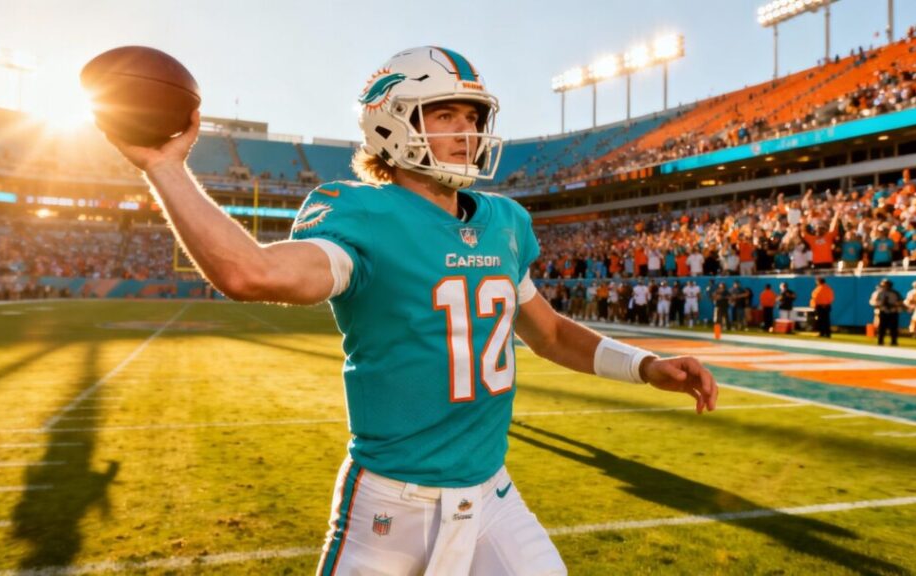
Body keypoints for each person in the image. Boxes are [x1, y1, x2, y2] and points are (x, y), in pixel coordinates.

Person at [106, 46, 718, 575]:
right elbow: (250, 273)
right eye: (445, 114)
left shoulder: (504, 222)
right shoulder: (359, 215)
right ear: (392, 123)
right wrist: (166, 167)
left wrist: (645, 365)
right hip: (392, 506)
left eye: (472, 117)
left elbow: (551, 334)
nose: (465, 131)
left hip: (491, 495)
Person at [869, 279, 903, 346]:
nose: (886, 286)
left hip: (893, 311)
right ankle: (880, 340)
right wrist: (880, 304)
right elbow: (873, 302)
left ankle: (894, 341)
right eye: (884, 285)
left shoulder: (895, 293)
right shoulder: (878, 293)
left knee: (893, 327)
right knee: (882, 327)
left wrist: (894, 305)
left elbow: (901, 302)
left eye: (887, 285)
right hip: (883, 311)